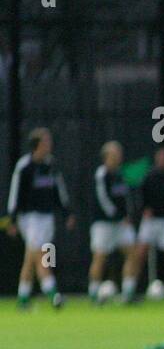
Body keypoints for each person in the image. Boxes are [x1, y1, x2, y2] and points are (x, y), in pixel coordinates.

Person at [6, 128, 74, 309]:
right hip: (30, 218)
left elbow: (59, 190)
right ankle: (52, 294)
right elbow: (15, 193)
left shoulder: (51, 165)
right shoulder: (24, 166)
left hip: (47, 217)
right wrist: (12, 219)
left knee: (31, 257)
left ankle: (23, 298)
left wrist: (66, 213)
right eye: (46, 142)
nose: (49, 145)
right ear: (37, 145)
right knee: (41, 255)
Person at [126, 146, 164, 300]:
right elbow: (140, 197)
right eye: (159, 158)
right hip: (151, 222)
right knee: (139, 253)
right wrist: (143, 210)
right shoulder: (150, 176)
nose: (161, 161)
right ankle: (129, 289)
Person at [88, 141, 136, 302]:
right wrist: (117, 216)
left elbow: (126, 198)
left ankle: (128, 293)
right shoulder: (101, 174)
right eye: (115, 154)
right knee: (100, 257)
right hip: (103, 223)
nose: (118, 157)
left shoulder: (121, 175)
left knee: (132, 253)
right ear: (106, 156)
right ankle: (94, 293)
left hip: (121, 224)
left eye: (119, 154)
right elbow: (103, 200)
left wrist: (127, 215)